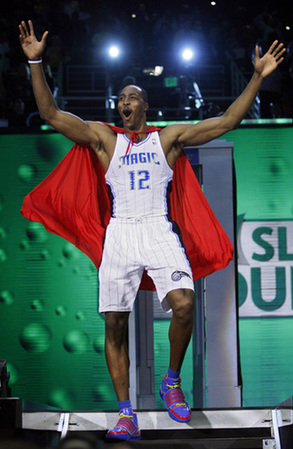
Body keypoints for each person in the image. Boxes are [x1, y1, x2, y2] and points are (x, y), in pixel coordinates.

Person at [18, 19, 285, 442]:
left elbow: (227, 121)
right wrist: (35, 60)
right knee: (115, 324)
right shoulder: (106, 140)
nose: (125, 102)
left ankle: (171, 381)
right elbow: (50, 113)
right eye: (121, 98)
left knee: (183, 304)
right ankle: (126, 413)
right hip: (120, 235)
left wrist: (255, 77)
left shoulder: (169, 139)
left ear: (145, 106)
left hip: (159, 231)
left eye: (133, 97)